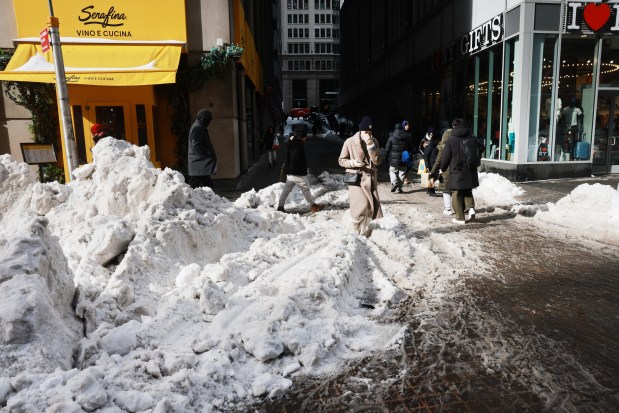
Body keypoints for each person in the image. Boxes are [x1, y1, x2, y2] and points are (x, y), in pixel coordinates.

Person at [338, 115, 384, 237]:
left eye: (370, 132)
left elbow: (378, 161)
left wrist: (370, 145)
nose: (368, 134)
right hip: (356, 179)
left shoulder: (373, 141)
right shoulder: (349, 142)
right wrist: (353, 163)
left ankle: (363, 233)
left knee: (369, 207)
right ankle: (354, 230)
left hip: (370, 178)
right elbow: (341, 160)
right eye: (365, 131)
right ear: (360, 130)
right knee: (361, 205)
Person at [277, 123, 324, 214]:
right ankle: (313, 206)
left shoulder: (291, 142)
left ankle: (280, 206)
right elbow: (295, 159)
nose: (306, 138)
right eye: (305, 136)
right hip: (295, 172)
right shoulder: (298, 144)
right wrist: (298, 171)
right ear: (302, 136)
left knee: (286, 189)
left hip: (290, 171)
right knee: (305, 187)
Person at [439, 118, 479, 224]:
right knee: (467, 190)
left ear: (454, 126)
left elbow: (445, 157)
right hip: (470, 169)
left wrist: (442, 168)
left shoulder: (451, 139)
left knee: (456, 193)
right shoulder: (472, 137)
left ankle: (460, 218)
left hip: (457, 170)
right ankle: (471, 209)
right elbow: (480, 148)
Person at [187, 109, 217, 189]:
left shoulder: (198, 126)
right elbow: (196, 145)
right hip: (199, 165)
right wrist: (208, 153)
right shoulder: (198, 128)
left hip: (199, 166)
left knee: (205, 186)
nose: (209, 122)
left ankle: (211, 199)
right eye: (209, 120)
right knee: (198, 187)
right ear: (204, 119)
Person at [430, 126, 454, 215]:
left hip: (445, 171)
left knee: (446, 190)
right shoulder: (458, 144)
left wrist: (432, 172)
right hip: (457, 171)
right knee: (455, 191)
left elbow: (438, 161)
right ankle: (461, 209)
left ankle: (448, 209)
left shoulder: (442, 147)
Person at [384, 122, 413, 193]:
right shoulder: (407, 136)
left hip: (393, 160)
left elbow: (387, 149)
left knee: (392, 171)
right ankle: (399, 188)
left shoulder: (391, 137)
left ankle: (395, 183)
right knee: (402, 173)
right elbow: (411, 148)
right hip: (404, 159)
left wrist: (386, 158)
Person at [422, 133, 440, 197]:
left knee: (432, 177)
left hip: (433, 164)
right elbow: (426, 156)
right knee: (432, 177)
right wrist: (427, 166)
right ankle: (431, 191)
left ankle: (429, 189)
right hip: (430, 164)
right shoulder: (430, 146)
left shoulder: (434, 146)